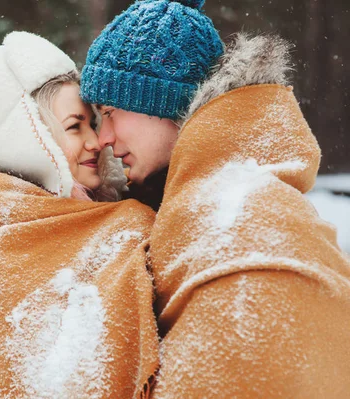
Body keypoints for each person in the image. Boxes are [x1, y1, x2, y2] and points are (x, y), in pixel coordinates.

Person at [81, 0, 350, 397]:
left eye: (111, 111)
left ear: (161, 102)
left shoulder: (247, 223)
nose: (103, 138)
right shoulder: (211, 206)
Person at [0, 31, 159, 398]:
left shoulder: (125, 221)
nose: (95, 141)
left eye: (92, 123)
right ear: (30, 142)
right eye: (74, 126)